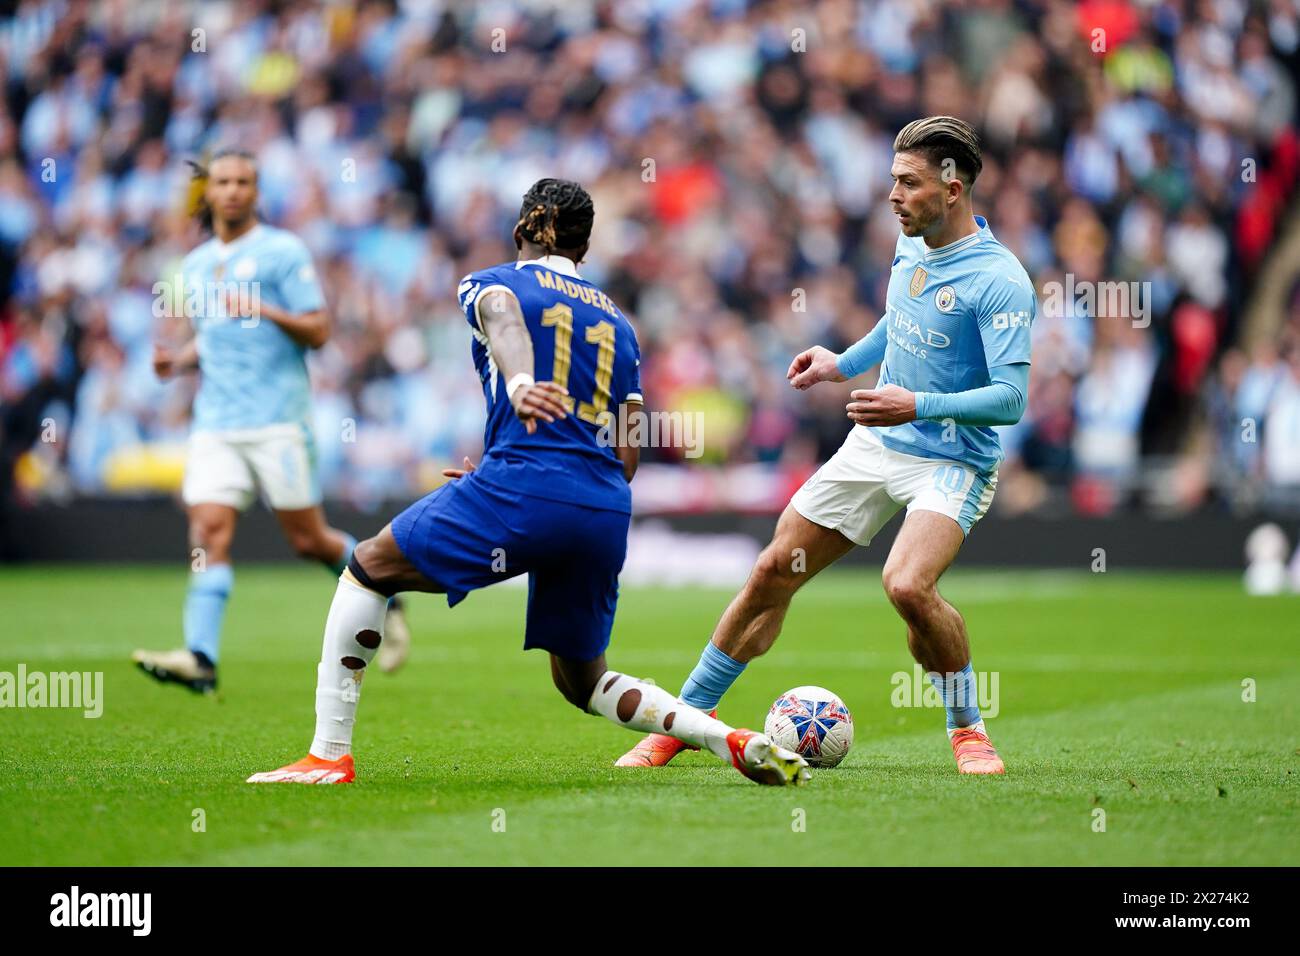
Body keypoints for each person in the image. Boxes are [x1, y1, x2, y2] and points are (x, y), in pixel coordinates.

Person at [247, 178, 809, 786]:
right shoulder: (619, 323)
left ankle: (328, 756)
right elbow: (627, 453)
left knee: (368, 567)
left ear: (523, 229)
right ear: (584, 249)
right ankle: (722, 736)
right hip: (602, 508)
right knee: (584, 680)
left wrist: (519, 392)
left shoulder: (494, 283)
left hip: (524, 488)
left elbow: (500, 317)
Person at [617, 117, 1035, 775]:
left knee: (906, 585)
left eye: (908, 182)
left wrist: (914, 404)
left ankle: (969, 730)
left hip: (953, 458)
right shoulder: (912, 243)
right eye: (892, 180)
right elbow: (900, 322)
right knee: (772, 569)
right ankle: (685, 722)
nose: (893, 195)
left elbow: (1011, 400)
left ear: (952, 187)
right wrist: (844, 362)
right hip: (879, 440)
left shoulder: (1000, 279)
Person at [133, 149, 410, 692]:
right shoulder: (193, 265)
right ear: (208, 193)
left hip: (278, 420)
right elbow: (216, 340)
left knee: (308, 541)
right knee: (208, 530)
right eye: (223, 182)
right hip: (215, 422)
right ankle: (200, 656)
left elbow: (319, 330)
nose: (233, 190)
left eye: (243, 182)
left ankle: (390, 592)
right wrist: (180, 360)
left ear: (256, 192)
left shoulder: (282, 252)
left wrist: (265, 309)